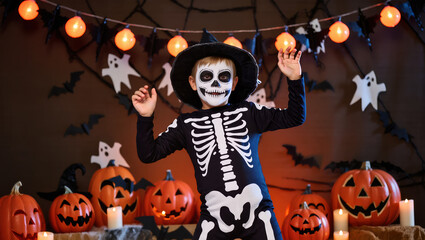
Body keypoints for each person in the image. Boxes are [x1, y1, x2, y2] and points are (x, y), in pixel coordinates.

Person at [132, 38, 306, 240]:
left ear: (234, 83)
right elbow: (149, 154)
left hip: (259, 211)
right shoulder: (185, 124)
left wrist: (295, 79)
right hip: (214, 216)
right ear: (193, 83)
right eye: (206, 76)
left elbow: (295, 117)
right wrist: (145, 117)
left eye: (223, 77)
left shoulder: (248, 112)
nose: (215, 83)